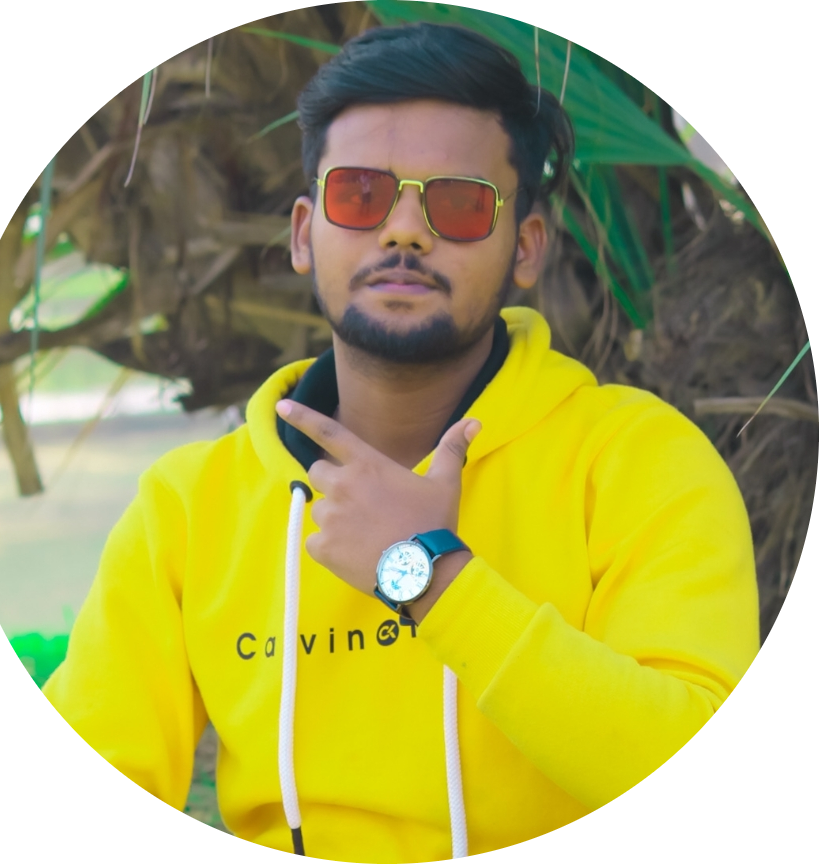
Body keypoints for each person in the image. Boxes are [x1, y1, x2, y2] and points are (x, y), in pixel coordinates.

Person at [43, 22, 759, 859]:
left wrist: (428, 576)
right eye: (360, 196)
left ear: (526, 246)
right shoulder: (190, 504)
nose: (404, 232)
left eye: (459, 205)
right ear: (304, 234)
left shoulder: (639, 462)